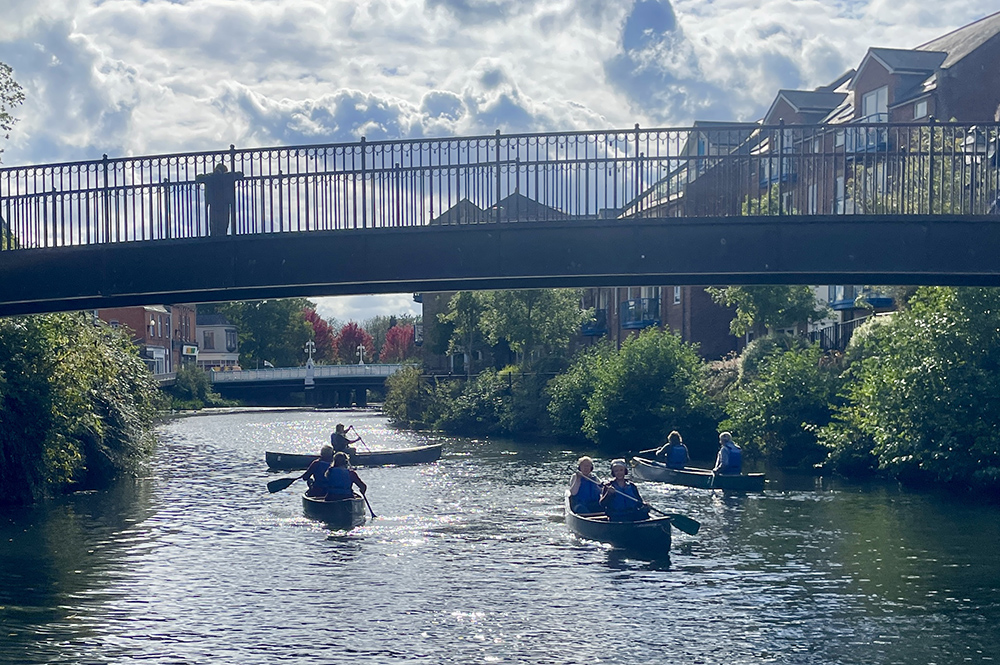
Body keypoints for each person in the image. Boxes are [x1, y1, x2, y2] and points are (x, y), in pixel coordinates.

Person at [195, 163, 243, 237]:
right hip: (224, 205)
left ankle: (214, 237)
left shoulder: (210, 177)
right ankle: (221, 237)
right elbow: (240, 174)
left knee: (214, 226)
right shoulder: (228, 177)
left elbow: (199, 178)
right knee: (223, 226)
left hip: (214, 204)